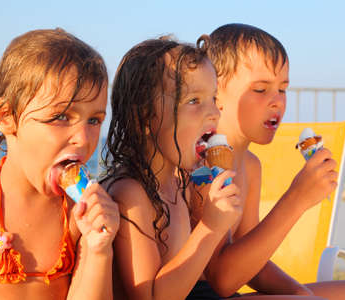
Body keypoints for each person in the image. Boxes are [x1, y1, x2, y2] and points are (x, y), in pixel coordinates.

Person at [192, 23, 345, 300]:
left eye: (283, 89)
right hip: (200, 295)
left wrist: (301, 291)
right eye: (261, 90)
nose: (277, 102)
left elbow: (252, 264)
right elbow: (222, 280)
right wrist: (296, 200)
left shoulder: (249, 165)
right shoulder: (202, 165)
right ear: (216, 93)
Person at [101, 37, 243, 300]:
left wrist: (213, 214)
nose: (214, 112)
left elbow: (203, 272)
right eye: (194, 101)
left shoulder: (182, 182)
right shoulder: (130, 195)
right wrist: (209, 228)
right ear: (144, 116)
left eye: (213, 98)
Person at [0, 28, 120, 300]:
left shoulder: (78, 215)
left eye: (94, 120)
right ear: (5, 118)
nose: (83, 139)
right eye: (60, 116)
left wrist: (98, 248)